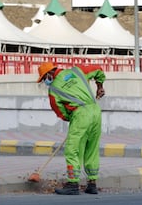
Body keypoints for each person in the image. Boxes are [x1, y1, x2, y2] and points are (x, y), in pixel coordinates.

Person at [36, 61, 106, 195]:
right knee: (92, 148)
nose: (45, 82)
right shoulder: (77, 71)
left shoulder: (54, 89)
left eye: (44, 78)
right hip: (95, 110)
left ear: (50, 74)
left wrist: (73, 118)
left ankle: (73, 183)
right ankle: (92, 184)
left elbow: (60, 111)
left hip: (80, 115)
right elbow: (98, 70)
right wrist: (99, 86)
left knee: (72, 149)